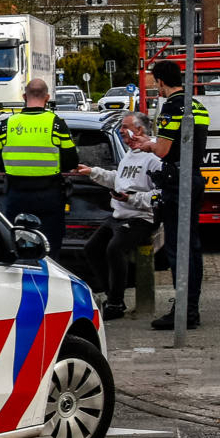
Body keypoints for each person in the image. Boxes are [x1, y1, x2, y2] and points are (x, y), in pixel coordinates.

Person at [74, 112, 164, 320]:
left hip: (142, 217)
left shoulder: (153, 157)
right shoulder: (130, 154)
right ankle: (111, 295)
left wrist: (130, 199)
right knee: (91, 248)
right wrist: (92, 172)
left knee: (115, 249)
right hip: (120, 214)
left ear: (139, 130)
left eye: (125, 127)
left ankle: (115, 302)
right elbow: (119, 180)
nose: (122, 131)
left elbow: (159, 195)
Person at [148, 59, 209, 330]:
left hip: (178, 183)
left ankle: (183, 311)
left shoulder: (172, 108)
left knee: (176, 248)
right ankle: (191, 308)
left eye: (155, 82)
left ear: (161, 81)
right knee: (193, 247)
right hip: (194, 178)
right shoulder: (198, 106)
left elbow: (162, 151)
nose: (155, 87)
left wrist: (147, 145)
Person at [0, 78, 78, 245]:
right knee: (49, 242)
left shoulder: (7, 125)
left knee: (18, 241)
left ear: (24, 96)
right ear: (47, 98)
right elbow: (71, 161)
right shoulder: (56, 124)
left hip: (16, 194)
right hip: (49, 194)